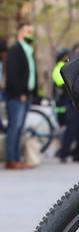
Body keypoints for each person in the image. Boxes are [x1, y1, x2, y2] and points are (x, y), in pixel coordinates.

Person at [4, 22, 37, 170]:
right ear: (19, 33)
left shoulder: (29, 50)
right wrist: (20, 93)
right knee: (14, 127)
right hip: (17, 96)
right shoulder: (15, 50)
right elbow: (13, 74)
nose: (30, 34)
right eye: (27, 31)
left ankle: (17, 157)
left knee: (19, 129)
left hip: (26, 95)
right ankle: (11, 159)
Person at [53, 45, 79, 163]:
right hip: (72, 101)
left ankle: (78, 153)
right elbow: (61, 82)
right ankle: (64, 152)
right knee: (72, 129)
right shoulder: (65, 65)